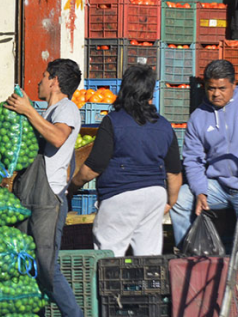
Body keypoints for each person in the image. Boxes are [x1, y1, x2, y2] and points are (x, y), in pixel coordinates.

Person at [5, 58, 95, 317]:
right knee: (32, 269)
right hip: (32, 197)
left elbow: (58, 137)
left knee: (48, 267)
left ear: (55, 81)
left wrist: (28, 110)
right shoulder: (49, 111)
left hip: (48, 199)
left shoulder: (66, 108)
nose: (39, 82)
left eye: (43, 77)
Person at [169, 59, 238, 260]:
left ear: (234, 84)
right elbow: (192, 159)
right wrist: (200, 191)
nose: (216, 93)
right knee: (181, 198)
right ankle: (188, 256)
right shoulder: (198, 117)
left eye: (222, 88)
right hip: (219, 187)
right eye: (211, 88)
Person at [69, 64, 182, 257]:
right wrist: (170, 201)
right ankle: (149, 286)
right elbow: (174, 172)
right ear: (150, 93)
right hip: (155, 196)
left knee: (109, 256)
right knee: (148, 257)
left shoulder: (113, 121)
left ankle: (110, 287)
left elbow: (93, 168)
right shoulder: (164, 125)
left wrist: (72, 187)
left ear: (124, 91)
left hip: (120, 196)